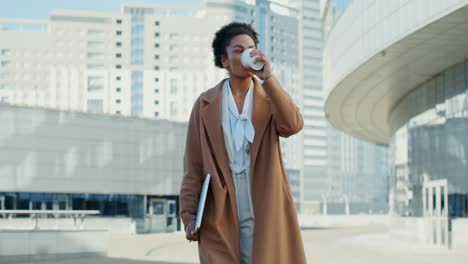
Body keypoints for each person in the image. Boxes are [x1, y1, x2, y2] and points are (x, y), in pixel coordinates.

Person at [179, 22, 306, 264]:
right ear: (224, 61)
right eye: (238, 50)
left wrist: (268, 77)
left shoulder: (270, 97)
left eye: (252, 48)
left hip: (264, 196)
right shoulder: (205, 104)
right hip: (220, 203)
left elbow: (292, 125)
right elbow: (193, 166)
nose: (248, 53)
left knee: (264, 256)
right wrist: (188, 216)